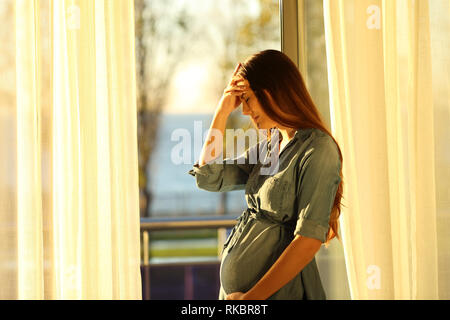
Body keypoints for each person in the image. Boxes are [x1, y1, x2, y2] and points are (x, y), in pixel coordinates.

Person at [188, 49, 343, 300]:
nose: (245, 111)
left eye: (247, 99)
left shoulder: (318, 149)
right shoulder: (270, 147)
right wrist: (223, 110)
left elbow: (308, 240)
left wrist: (251, 299)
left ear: (271, 92)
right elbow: (209, 176)